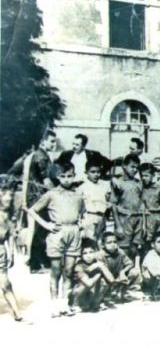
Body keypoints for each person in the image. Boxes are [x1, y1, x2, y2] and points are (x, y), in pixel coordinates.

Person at [27, 162, 85, 316]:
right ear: (57, 177)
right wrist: (47, 225)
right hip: (57, 233)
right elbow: (32, 210)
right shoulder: (51, 194)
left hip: (73, 232)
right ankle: (54, 305)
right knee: (56, 270)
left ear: (74, 176)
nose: (66, 179)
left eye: (70, 176)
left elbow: (82, 213)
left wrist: (80, 224)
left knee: (69, 270)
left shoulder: (78, 195)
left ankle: (64, 304)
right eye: (63, 176)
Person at [22, 130, 57, 273]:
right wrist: (59, 192)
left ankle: (40, 261)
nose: (54, 144)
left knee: (41, 230)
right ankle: (35, 264)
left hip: (37, 197)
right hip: (39, 198)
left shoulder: (41, 155)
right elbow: (46, 180)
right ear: (43, 141)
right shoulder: (41, 157)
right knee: (40, 230)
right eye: (51, 141)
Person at [110, 154, 143, 262]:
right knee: (123, 249)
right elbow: (113, 205)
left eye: (137, 168)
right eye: (132, 167)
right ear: (124, 166)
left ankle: (132, 274)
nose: (135, 170)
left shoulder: (139, 183)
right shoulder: (118, 182)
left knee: (134, 249)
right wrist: (118, 225)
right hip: (124, 219)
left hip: (137, 218)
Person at [71, 238, 114, 313]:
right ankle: (77, 305)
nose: (88, 256)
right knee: (84, 284)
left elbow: (111, 280)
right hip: (81, 296)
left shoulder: (98, 263)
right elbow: (88, 283)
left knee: (105, 281)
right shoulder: (79, 266)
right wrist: (98, 274)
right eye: (85, 253)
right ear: (81, 255)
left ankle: (96, 304)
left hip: (93, 295)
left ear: (96, 252)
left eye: (91, 252)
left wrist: (101, 266)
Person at [0, 187, 22, 321]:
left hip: (0, 250)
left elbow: (11, 235)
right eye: (4, 195)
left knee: (5, 283)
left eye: (10, 196)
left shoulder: (9, 215)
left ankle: (18, 313)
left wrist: (11, 253)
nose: (7, 198)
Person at [97, 232, 139, 303]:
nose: (113, 244)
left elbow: (130, 263)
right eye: (109, 242)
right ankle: (103, 297)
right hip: (106, 279)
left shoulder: (120, 252)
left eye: (114, 242)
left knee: (134, 272)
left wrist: (122, 272)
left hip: (118, 278)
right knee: (102, 282)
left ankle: (120, 293)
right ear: (103, 244)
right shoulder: (100, 255)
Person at [76, 160, 111, 241]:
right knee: (90, 241)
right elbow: (80, 207)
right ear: (86, 172)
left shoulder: (104, 185)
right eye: (93, 172)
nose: (96, 174)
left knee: (100, 242)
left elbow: (107, 200)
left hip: (102, 217)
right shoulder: (82, 187)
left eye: (98, 172)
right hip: (89, 217)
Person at [139, 163, 160, 247]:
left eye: (146, 176)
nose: (143, 178)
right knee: (146, 241)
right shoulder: (140, 188)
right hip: (146, 217)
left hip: (157, 216)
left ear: (153, 175)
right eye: (142, 176)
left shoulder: (158, 188)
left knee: (159, 240)